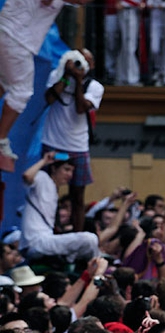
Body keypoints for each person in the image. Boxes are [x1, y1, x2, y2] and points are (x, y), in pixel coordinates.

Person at [0, 0, 92, 160]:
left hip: (9, 33)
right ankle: (0, 140)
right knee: (22, 92)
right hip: (17, 40)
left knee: (4, 81)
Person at [42, 49, 104, 232]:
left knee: (77, 195)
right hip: (53, 142)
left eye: (86, 62)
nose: (81, 65)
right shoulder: (57, 76)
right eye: (78, 60)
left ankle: (77, 234)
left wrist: (78, 81)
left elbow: (81, 108)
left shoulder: (95, 87)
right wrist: (66, 76)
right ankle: (51, 230)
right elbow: (49, 98)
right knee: (48, 191)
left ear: (91, 66)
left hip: (77, 147)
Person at [19, 152, 100, 263]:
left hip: (45, 241)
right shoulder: (43, 178)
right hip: (37, 243)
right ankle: (95, 272)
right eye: (66, 170)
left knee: (85, 246)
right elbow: (27, 176)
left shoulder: (53, 189)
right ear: (54, 169)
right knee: (90, 239)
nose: (70, 175)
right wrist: (44, 161)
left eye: (72, 171)